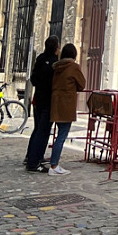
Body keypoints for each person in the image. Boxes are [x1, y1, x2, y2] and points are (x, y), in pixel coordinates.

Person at [48, 43, 86, 176]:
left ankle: (53, 163)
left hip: (56, 103)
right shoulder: (73, 67)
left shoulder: (57, 67)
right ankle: (54, 165)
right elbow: (82, 84)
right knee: (62, 136)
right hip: (66, 104)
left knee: (58, 135)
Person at [24, 35, 60, 172]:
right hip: (47, 100)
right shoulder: (54, 63)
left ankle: (31, 156)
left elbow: (33, 78)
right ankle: (34, 162)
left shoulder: (40, 58)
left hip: (38, 98)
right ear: (56, 48)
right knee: (43, 132)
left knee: (38, 129)